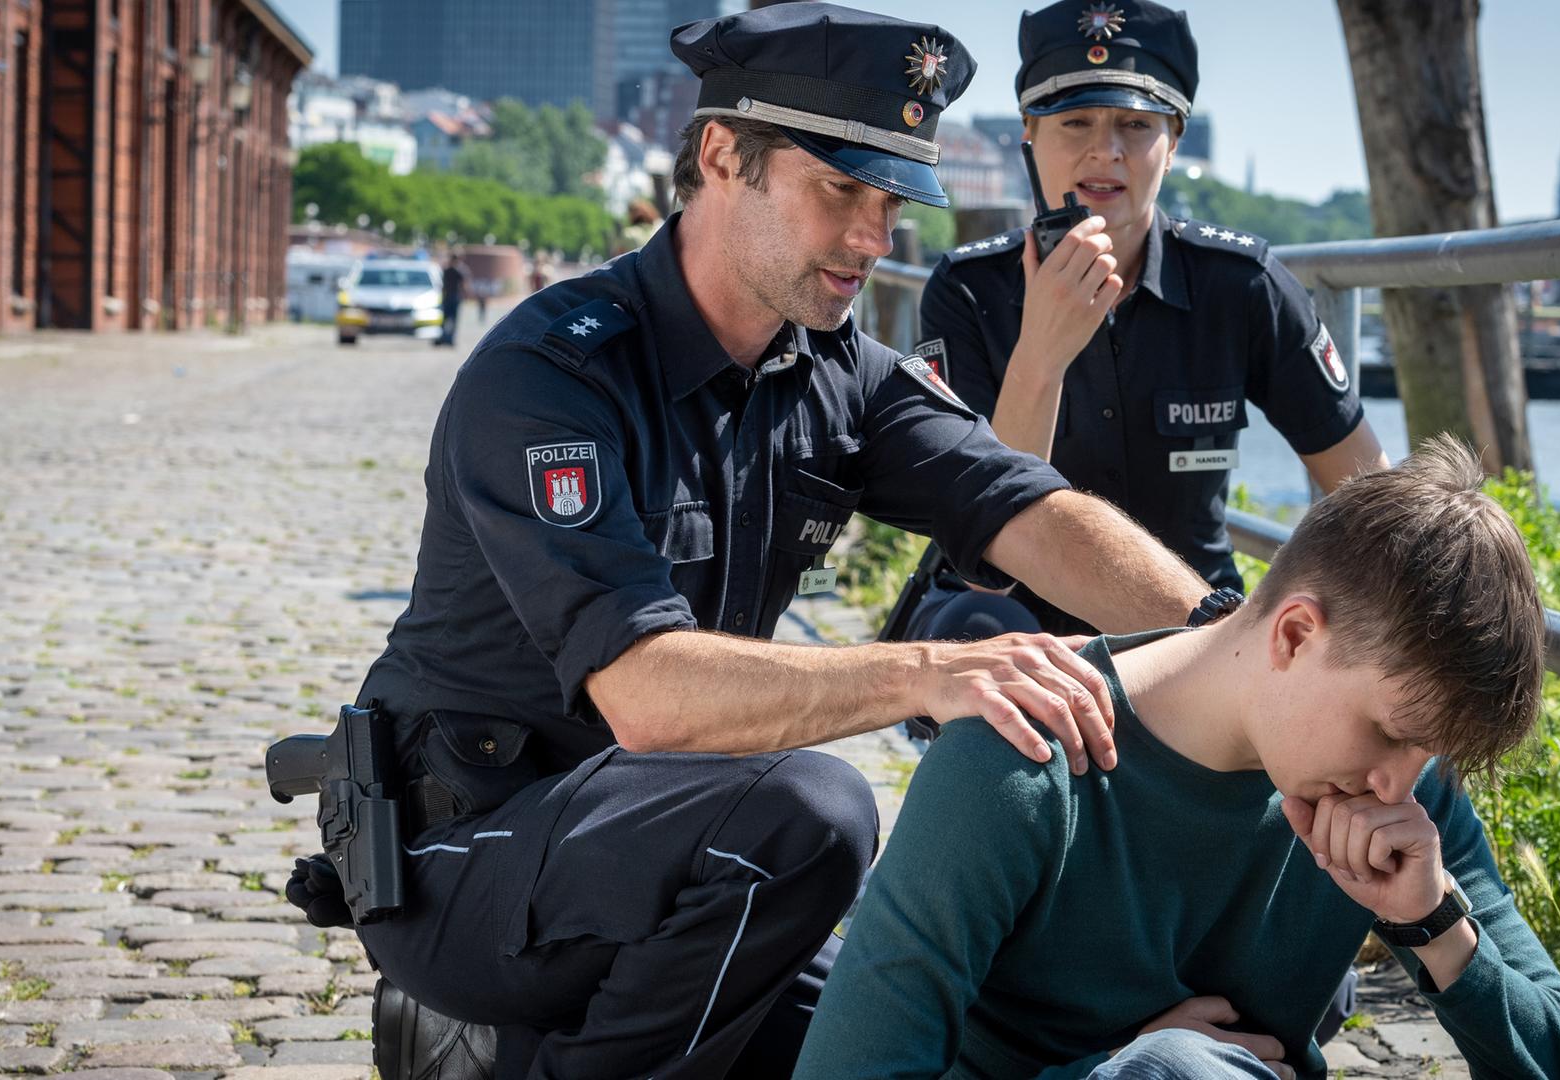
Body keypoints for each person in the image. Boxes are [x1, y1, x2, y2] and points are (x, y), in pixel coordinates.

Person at [288, 5, 1224, 1079]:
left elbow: (1029, 510)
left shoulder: (837, 375)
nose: (874, 238)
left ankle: (509, 1050)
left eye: (890, 200)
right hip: (469, 856)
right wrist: (933, 672)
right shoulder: (552, 377)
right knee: (814, 813)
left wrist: (1237, 646)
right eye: (840, 191)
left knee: (944, 1031)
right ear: (725, 154)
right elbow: (648, 697)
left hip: (675, 860)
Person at [795, 437, 1560, 1080]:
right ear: (1295, 635)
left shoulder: (1406, 800)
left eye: (1427, 752)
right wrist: (1120, 1073)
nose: (1398, 781)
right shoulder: (1018, 762)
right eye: (1391, 731)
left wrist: (1436, 929)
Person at [903, 0, 1387, 647]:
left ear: (1175, 137)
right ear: (1028, 132)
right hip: (1018, 631)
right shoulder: (966, 291)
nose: (1105, 151)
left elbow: (1371, 495)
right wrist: (1041, 355)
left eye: (1135, 124)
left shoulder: (1240, 282)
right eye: (1073, 121)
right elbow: (986, 560)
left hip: (1194, 628)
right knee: (980, 627)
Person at [437, 254, 465, 347]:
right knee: (450, 319)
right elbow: (463, 285)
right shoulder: (457, 271)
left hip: (450, 297)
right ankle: (447, 338)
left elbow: (443, 285)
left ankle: (446, 337)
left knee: (447, 319)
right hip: (453, 297)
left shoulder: (449, 271)